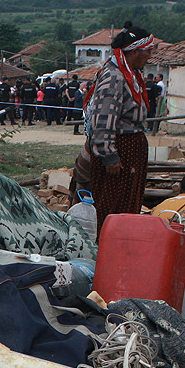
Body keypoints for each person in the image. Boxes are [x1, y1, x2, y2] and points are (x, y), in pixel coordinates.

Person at [76, 21, 155, 234]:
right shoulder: (114, 77)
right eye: (146, 51)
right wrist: (109, 155)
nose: (149, 56)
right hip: (120, 149)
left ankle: (121, 243)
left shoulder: (131, 75)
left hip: (131, 145)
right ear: (133, 52)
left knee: (127, 202)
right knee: (111, 203)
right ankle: (105, 245)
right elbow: (103, 119)